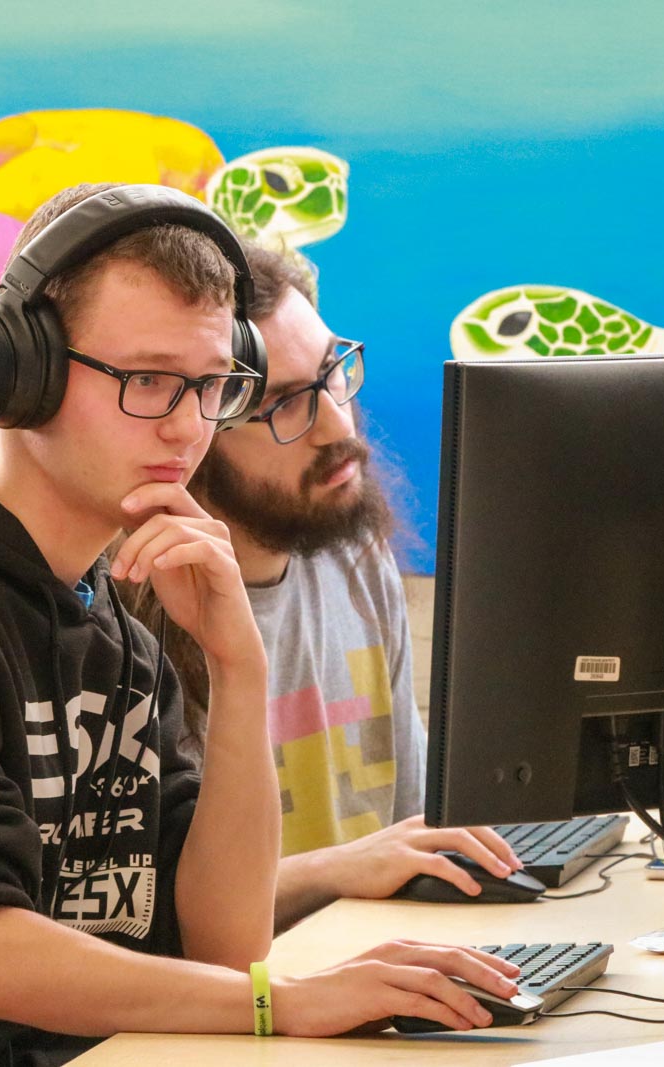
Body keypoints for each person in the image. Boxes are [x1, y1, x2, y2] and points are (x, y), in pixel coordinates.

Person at [0, 182, 521, 1067]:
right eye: (148, 381)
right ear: (18, 371)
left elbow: (225, 942)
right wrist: (281, 1005)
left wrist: (238, 666)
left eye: (212, 385)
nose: (188, 427)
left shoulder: (107, 622)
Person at [123, 241, 523, 931]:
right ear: (195, 438)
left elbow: (412, 832)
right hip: (241, 989)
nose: (337, 424)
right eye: (283, 404)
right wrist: (337, 869)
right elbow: (143, 913)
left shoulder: (351, 553)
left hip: (374, 958)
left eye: (332, 371)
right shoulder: (128, 617)